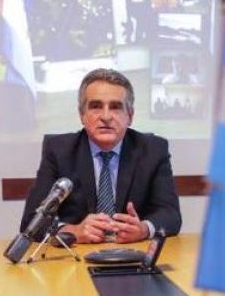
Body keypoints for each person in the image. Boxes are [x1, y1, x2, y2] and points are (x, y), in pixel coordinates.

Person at [20, 69, 181, 243]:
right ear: (82, 115)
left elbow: (170, 214)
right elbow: (31, 221)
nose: (105, 117)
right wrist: (72, 231)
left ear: (130, 116)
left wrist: (143, 229)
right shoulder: (59, 151)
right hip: (75, 258)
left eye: (115, 107)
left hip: (132, 254)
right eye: (96, 106)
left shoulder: (153, 150)